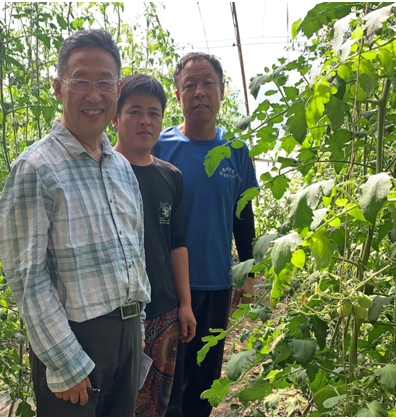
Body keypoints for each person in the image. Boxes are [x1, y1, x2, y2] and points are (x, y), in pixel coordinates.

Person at [0, 29, 151, 417]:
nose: (94, 94)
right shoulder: (36, 168)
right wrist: (65, 362)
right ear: (58, 88)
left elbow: (135, 250)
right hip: (77, 340)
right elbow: (27, 277)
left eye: (105, 82)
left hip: (127, 335)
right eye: (81, 80)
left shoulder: (121, 168)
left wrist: (139, 330)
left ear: (117, 89)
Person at [152, 52, 258, 417]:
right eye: (189, 86)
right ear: (178, 97)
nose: (199, 92)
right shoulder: (160, 148)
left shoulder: (236, 153)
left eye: (207, 83)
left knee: (204, 381)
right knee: (165, 380)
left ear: (222, 91)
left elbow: (243, 218)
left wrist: (248, 275)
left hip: (216, 285)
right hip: (164, 289)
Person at [112, 74, 196, 417]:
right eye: (134, 112)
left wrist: (185, 304)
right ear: (115, 118)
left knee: (156, 407)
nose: (145, 121)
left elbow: (177, 242)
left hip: (164, 311)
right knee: (114, 405)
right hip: (115, 317)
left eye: (154, 113)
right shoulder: (101, 170)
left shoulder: (171, 176)